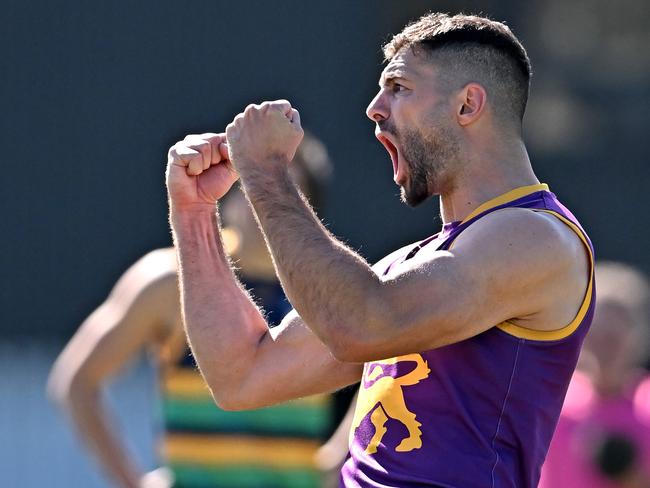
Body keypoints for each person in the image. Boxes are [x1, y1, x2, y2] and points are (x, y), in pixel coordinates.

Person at [165, 13, 595, 488]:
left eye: (399, 86)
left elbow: (362, 324)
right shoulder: (408, 269)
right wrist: (194, 212)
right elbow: (241, 375)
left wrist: (267, 173)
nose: (374, 107)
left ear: (468, 104)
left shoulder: (536, 236)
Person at [48, 134, 337, 488]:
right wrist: (133, 483)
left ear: (307, 208)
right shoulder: (172, 280)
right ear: (226, 192)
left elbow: (389, 363)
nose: (263, 199)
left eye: (283, 187)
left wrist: (339, 460)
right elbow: (77, 381)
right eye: (254, 182)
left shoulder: (330, 289)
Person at [539, 262, 650, 488]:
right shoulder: (550, 400)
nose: (605, 351)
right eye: (597, 336)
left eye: (613, 339)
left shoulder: (646, 403)